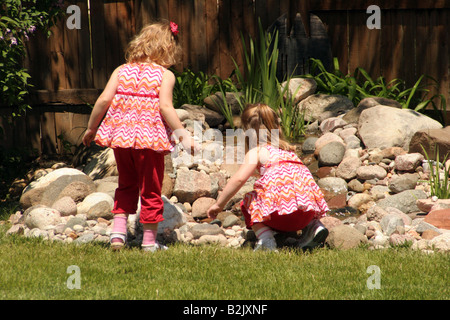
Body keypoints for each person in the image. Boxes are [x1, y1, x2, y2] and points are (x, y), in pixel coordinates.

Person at [82, 20, 197, 252]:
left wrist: (91, 128)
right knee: (151, 189)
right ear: (168, 48)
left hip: (122, 140)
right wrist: (183, 135)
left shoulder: (121, 70)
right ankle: (148, 242)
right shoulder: (164, 75)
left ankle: (117, 236)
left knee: (125, 185)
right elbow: (165, 107)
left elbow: (103, 100)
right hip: (149, 141)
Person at [207, 103, 329, 251]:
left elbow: (239, 179)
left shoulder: (258, 151)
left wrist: (219, 205)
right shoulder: (289, 152)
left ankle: (266, 240)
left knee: (248, 201)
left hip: (280, 218)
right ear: (277, 127)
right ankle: (314, 227)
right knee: (301, 195)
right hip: (306, 215)